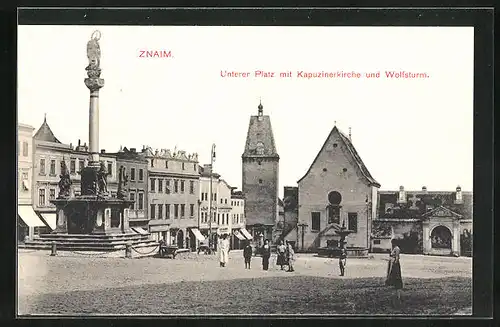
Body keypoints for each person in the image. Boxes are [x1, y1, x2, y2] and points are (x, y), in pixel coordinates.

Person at [385, 238, 403, 305]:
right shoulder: (394, 248)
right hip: (392, 262)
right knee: (390, 272)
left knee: (395, 273)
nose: (392, 244)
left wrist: (395, 264)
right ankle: (391, 281)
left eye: (393, 242)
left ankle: (396, 282)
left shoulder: (397, 248)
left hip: (394, 263)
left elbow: (397, 257)